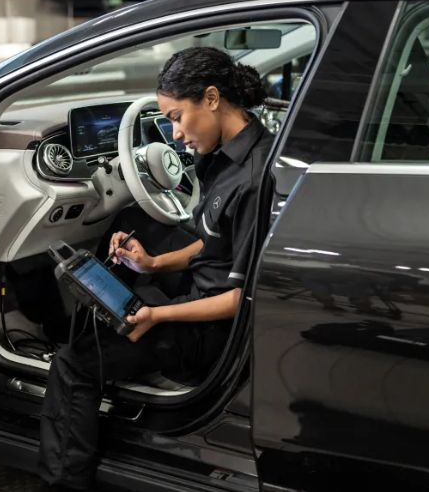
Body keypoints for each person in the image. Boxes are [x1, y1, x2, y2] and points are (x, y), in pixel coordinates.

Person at [38, 46, 275, 491]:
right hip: (205, 284)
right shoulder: (226, 152)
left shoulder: (252, 179)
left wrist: (157, 315)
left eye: (176, 117)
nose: (174, 134)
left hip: (211, 334)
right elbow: (214, 241)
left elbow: (239, 300)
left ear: (210, 98)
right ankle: (119, 319)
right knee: (132, 225)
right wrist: (152, 262)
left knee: (72, 365)